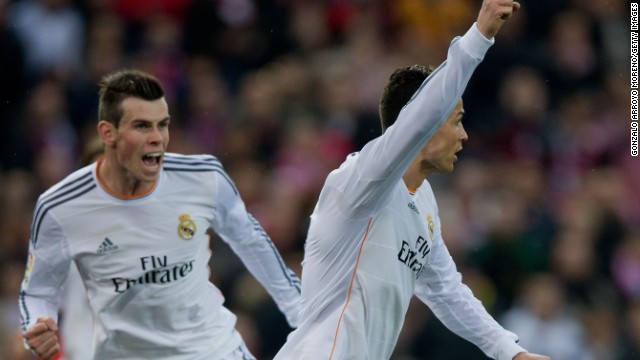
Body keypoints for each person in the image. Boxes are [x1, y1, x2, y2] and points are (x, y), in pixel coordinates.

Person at [274, 0, 550, 359]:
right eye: (456, 120)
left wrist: (510, 352)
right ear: (424, 123)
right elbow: (422, 113)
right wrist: (478, 37)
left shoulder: (422, 200)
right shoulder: (361, 181)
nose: (464, 135)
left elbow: (447, 291)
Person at [18, 69, 301, 360]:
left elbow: (252, 242)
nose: (157, 139)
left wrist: (300, 311)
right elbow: (37, 292)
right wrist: (37, 325)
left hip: (214, 350)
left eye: (162, 125)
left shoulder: (203, 177)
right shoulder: (60, 207)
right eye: (142, 126)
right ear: (108, 132)